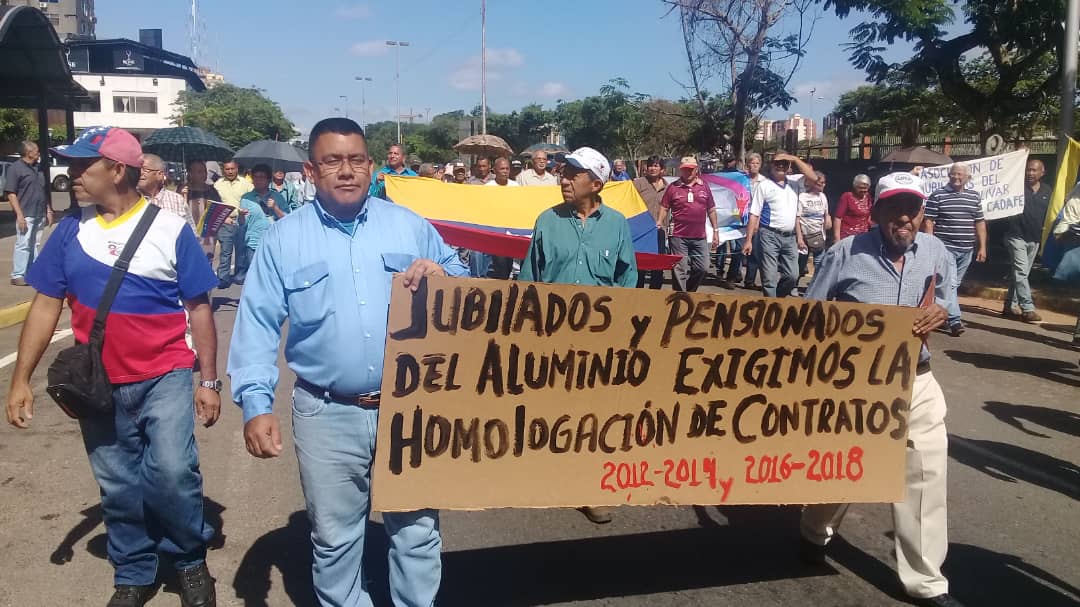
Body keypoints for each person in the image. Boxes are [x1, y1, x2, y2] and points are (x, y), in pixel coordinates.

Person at [228, 118, 465, 607]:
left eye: (356, 159)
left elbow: (464, 281)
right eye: (332, 161)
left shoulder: (409, 225)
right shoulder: (282, 239)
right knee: (335, 541)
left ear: (371, 166)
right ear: (312, 171)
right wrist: (256, 405)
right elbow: (256, 325)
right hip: (326, 413)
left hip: (410, 408)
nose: (346, 171)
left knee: (417, 533)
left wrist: (442, 272)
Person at [6, 126, 221, 607]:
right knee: (118, 483)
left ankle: (188, 559)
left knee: (171, 471)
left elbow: (200, 309)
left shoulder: (170, 230)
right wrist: (21, 380)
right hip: (98, 382)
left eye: (84, 166)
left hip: (164, 374)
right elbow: (45, 307)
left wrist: (208, 380)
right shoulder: (69, 232)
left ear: (117, 170)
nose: (72, 175)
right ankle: (134, 571)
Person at [800, 172, 963, 607]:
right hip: (854, 384)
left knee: (925, 475)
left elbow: (951, 306)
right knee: (845, 467)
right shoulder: (845, 253)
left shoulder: (936, 252)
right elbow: (807, 317)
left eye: (912, 208)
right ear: (877, 212)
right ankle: (814, 532)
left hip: (918, 380)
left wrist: (942, 313)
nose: (904, 218)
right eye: (894, 208)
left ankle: (926, 581)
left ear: (922, 213)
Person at [520, 147, 637, 526]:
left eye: (573, 173)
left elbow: (627, 280)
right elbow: (529, 279)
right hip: (551, 340)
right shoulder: (546, 221)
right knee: (551, 409)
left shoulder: (617, 224)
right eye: (562, 171)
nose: (563, 178)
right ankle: (548, 477)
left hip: (599, 344)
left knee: (594, 415)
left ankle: (589, 487)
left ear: (597, 183)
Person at [742, 152, 819, 297]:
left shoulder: (795, 182)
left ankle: (778, 300)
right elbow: (754, 214)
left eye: (784, 163)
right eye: (777, 163)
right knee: (769, 279)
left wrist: (795, 158)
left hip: (790, 238)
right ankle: (772, 307)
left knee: (792, 275)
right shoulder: (764, 185)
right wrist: (748, 240)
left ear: (789, 166)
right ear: (771, 165)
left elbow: (814, 178)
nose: (781, 166)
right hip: (768, 235)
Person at [922, 162, 986, 336]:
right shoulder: (938, 196)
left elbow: (979, 222)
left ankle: (937, 314)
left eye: (960, 175)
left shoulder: (974, 197)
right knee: (949, 285)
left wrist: (982, 247)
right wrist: (931, 244)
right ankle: (955, 320)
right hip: (946, 248)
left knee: (952, 285)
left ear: (967, 178)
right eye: (953, 174)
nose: (956, 178)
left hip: (967, 249)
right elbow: (929, 221)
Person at [657, 156, 718, 292]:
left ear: (696, 170)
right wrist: (660, 222)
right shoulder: (673, 187)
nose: (688, 172)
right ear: (680, 170)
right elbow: (664, 207)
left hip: (699, 236)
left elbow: (711, 209)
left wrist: (716, 231)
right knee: (679, 269)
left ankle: (690, 292)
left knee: (702, 267)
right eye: (685, 169)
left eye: (691, 169)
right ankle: (680, 297)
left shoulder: (704, 187)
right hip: (678, 236)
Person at [1003, 159, 1051, 322]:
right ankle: (1028, 309)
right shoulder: (1017, 188)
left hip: (1035, 239)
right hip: (1015, 236)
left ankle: (1009, 305)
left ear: (1042, 173)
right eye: (1028, 170)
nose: (1030, 173)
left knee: (1020, 274)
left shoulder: (1048, 191)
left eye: (1034, 170)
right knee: (1021, 272)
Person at [5, 140, 51, 286]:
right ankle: (18, 274)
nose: (39, 153)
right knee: (23, 244)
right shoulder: (15, 168)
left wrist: (48, 209)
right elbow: (11, 194)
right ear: (28, 153)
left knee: (35, 244)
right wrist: (19, 215)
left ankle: (31, 273)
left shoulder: (38, 168)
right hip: (26, 213)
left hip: (39, 212)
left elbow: (43, 191)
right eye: (36, 151)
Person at [237, 164, 288, 280]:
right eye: (255, 177)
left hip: (274, 243)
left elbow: (287, 219)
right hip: (253, 244)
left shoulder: (278, 197)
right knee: (256, 279)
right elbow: (241, 224)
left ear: (268, 179)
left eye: (262, 177)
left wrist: (275, 208)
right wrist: (241, 216)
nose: (258, 180)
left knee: (274, 278)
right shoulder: (246, 198)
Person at [213, 158, 254, 289]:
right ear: (223, 170)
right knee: (225, 251)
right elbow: (214, 204)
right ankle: (223, 277)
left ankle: (239, 275)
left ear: (237, 169)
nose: (230, 171)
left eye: (232, 169)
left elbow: (253, 200)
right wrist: (223, 218)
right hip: (225, 221)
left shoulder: (246, 184)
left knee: (241, 250)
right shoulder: (217, 185)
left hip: (242, 220)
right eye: (227, 169)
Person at [632, 155, 669, 289]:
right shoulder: (638, 183)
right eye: (650, 165)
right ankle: (637, 294)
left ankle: (655, 294)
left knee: (657, 265)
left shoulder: (668, 187)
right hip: (640, 231)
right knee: (639, 265)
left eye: (656, 165)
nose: (652, 168)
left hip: (659, 231)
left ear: (662, 169)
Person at [480, 157, 520, 279]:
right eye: (502, 168)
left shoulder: (516, 186)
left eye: (507, 168)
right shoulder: (488, 188)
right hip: (495, 231)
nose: (505, 171)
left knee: (508, 262)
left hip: (511, 230)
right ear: (495, 170)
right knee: (499, 262)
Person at [141, 153, 197, 232]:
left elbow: (191, 232)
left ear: (159, 174)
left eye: (145, 169)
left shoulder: (177, 200)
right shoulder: (131, 200)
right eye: (138, 169)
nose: (140, 173)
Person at [796, 170, 831, 280]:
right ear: (812, 183)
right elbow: (797, 219)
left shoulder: (823, 197)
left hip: (819, 235)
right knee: (801, 263)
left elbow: (826, 214)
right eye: (821, 183)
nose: (823, 185)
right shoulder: (802, 197)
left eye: (824, 183)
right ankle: (794, 285)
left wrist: (828, 222)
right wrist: (799, 238)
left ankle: (816, 287)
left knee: (820, 264)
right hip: (805, 234)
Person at [181, 159, 216, 262]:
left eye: (204, 171)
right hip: (189, 235)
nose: (203, 174)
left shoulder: (212, 190)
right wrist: (183, 195)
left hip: (207, 237)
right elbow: (179, 211)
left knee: (206, 263)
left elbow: (218, 208)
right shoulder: (183, 189)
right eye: (199, 172)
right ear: (190, 174)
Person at [741, 152, 767, 289]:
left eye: (757, 163)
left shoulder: (764, 181)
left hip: (756, 218)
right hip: (739, 217)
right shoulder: (741, 179)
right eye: (752, 163)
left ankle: (749, 280)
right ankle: (734, 274)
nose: (754, 166)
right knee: (737, 248)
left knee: (754, 250)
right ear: (747, 164)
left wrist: (757, 222)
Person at [833, 174, 874, 241]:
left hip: (864, 236)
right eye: (860, 188)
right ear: (855, 187)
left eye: (865, 188)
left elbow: (868, 215)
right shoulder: (847, 196)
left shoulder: (868, 197)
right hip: (848, 236)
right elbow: (838, 218)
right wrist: (837, 238)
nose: (863, 190)